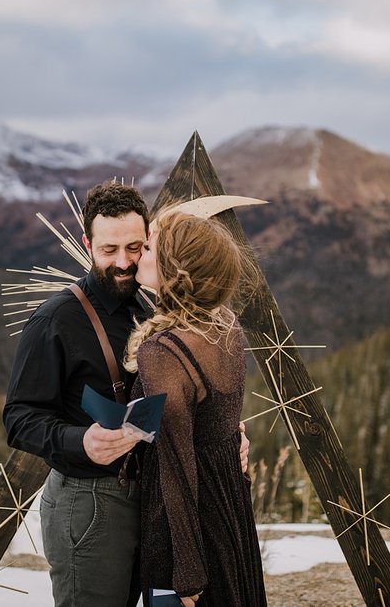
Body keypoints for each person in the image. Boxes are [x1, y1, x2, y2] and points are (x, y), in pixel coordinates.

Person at [3, 181, 150, 607]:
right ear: (87, 244)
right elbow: (18, 417)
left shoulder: (148, 308)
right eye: (109, 250)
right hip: (86, 504)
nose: (123, 262)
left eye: (134, 247)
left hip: (143, 497)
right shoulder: (54, 320)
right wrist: (80, 441)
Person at [124, 210, 267, 606]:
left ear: (174, 269)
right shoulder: (225, 323)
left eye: (149, 247)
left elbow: (176, 464)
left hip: (186, 526)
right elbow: (217, 416)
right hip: (228, 502)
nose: (139, 255)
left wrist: (188, 573)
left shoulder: (163, 352)